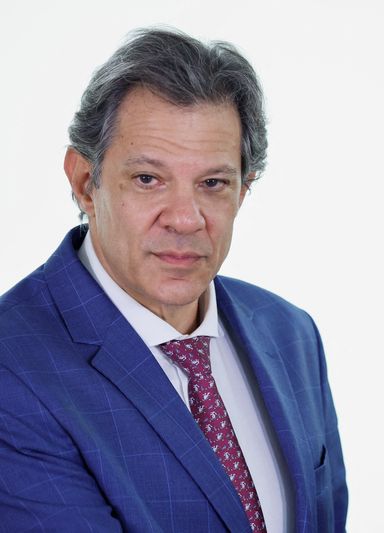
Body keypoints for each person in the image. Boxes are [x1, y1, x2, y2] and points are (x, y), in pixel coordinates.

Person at [0, 28, 346, 532]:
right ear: (84, 183)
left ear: (244, 192)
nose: (185, 219)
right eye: (148, 179)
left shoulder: (290, 334)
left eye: (213, 184)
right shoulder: (13, 371)